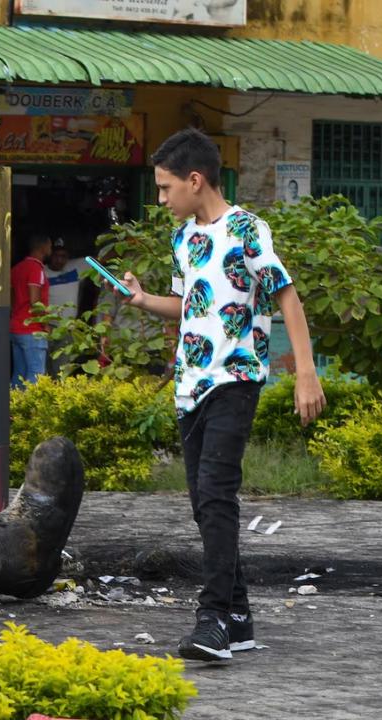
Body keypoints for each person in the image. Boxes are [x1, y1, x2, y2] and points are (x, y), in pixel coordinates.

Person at [114, 128, 325, 662]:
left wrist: (306, 373)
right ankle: (239, 617)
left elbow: (287, 297)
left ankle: (211, 621)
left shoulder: (248, 230)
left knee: (215, 495)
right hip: (190, 388)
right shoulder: (184, 239)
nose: (161, 200)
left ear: (194, 179)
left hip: (236, 378)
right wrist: (142, 300)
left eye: (165, 188)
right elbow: (189, 306)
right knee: (204, 506)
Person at [45, 238, 93, 374]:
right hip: (46, 327)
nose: (59, 260)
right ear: (49, 255)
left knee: (62, 369)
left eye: (63, 256)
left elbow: (101, 259)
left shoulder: (76, 267)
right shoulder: (41, 272)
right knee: (44, 370)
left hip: (67, 328)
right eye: (56, 256)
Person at [10, 234, 51, 387]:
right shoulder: (36, 268)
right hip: (32, 329)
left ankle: (14, 409)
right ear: (44, 246)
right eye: (50, 246)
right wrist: (45, 324)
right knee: (36, 373)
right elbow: (35, 302)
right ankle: (32, 411)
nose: (50, 250)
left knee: (19, 374)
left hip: (16, 327)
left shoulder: (16, 268)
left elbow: (12, 299)